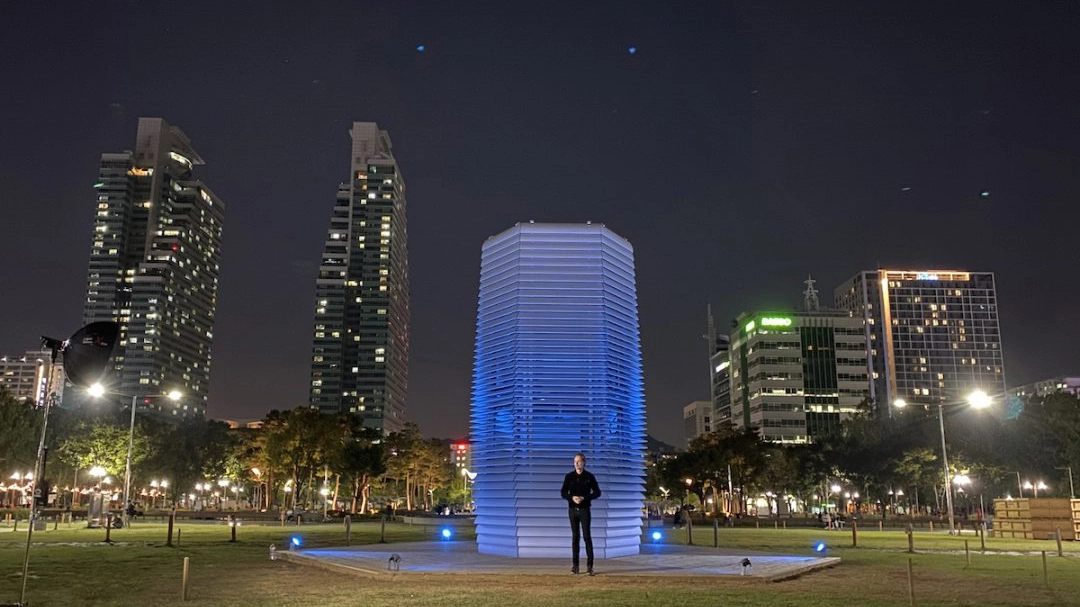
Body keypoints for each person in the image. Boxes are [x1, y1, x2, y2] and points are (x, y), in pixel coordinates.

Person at [560, 452, 601, 575]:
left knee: (587, 537)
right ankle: (575, 566)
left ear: (584, 462)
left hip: (584, 510)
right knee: (575, 537)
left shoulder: (589, 476)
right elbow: (563, 492)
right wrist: (571, 498)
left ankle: (590, 566)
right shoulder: (569, 477)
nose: (577, 464)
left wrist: (585, 498)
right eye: (575, 462)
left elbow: (597, 492)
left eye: (579, 462)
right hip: (572, 510)